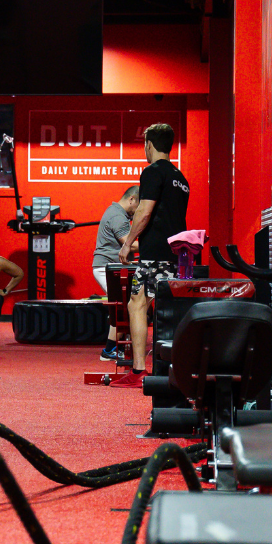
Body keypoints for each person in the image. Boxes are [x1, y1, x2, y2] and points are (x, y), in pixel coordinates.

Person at [114, 123, 190, 388]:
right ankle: (170, 368)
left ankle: (137, 370)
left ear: (149, 144)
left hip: (153, 255)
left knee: (136, 305)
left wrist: (127, 245)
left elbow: (143, 213)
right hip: (175, 254)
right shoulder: (181, 178)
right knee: (165, 309)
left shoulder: (152, 172)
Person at [91, 185, 140, 362]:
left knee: (124, 305)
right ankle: (110, 350)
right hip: (107, 269)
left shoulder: (118, 214)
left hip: (111, 267)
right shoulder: (117, 216)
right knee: (124, 306)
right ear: (132, 199)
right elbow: (130, 244)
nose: (137, 212)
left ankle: (116, 348)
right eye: (138, 207)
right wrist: (155, 244)